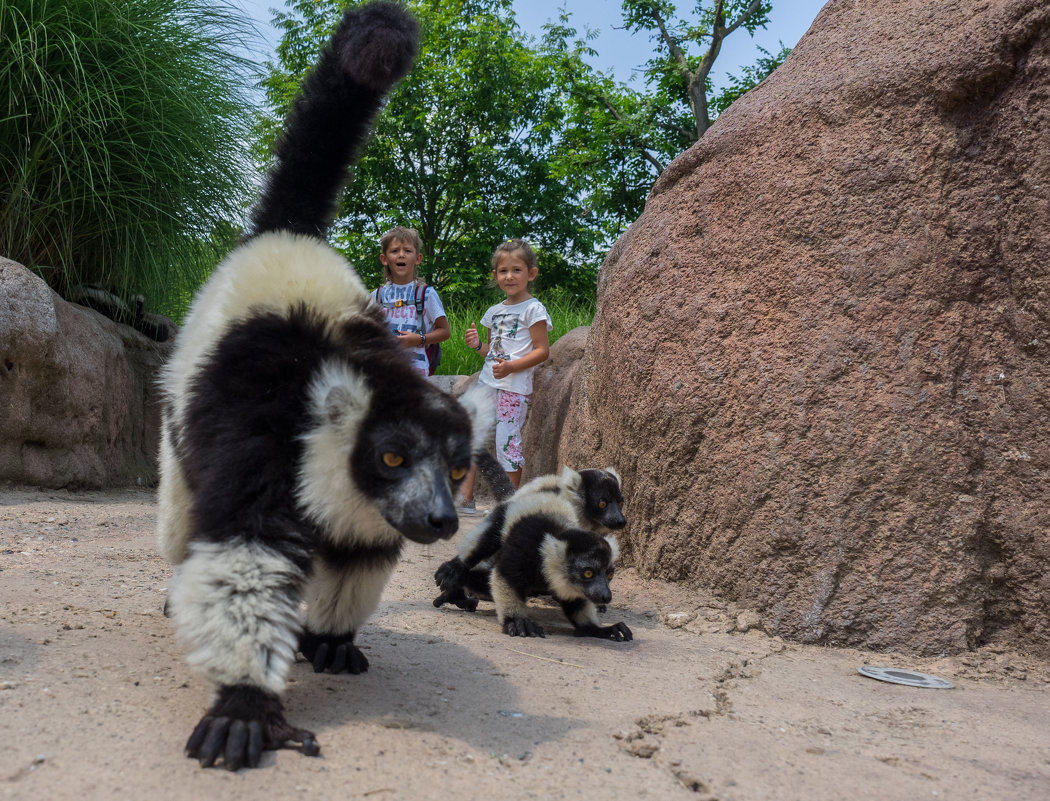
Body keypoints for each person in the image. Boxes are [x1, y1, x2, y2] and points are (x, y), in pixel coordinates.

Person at [459, 238, 552, 513]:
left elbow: (542, 351)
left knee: (507, 445)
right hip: (489, 383)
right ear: (495, 275)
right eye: (503, 271)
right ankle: (465, 499)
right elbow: (492, 352)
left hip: (513, 388)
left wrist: (512, 367)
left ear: (531, 274)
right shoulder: (493, 312)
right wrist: (477, 345)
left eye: (516, 270)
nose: (509, 276)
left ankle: (507, 507)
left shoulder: (533, 309)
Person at [372, 226, 450, 376]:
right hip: (384, 371)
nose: (401, 255)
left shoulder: (427, 294)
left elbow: (445, 332)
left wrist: (419, 339)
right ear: (384, 259)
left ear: (417, 258)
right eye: (394, 251)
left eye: (407, 251)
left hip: (417, 372)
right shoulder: (376, 296)